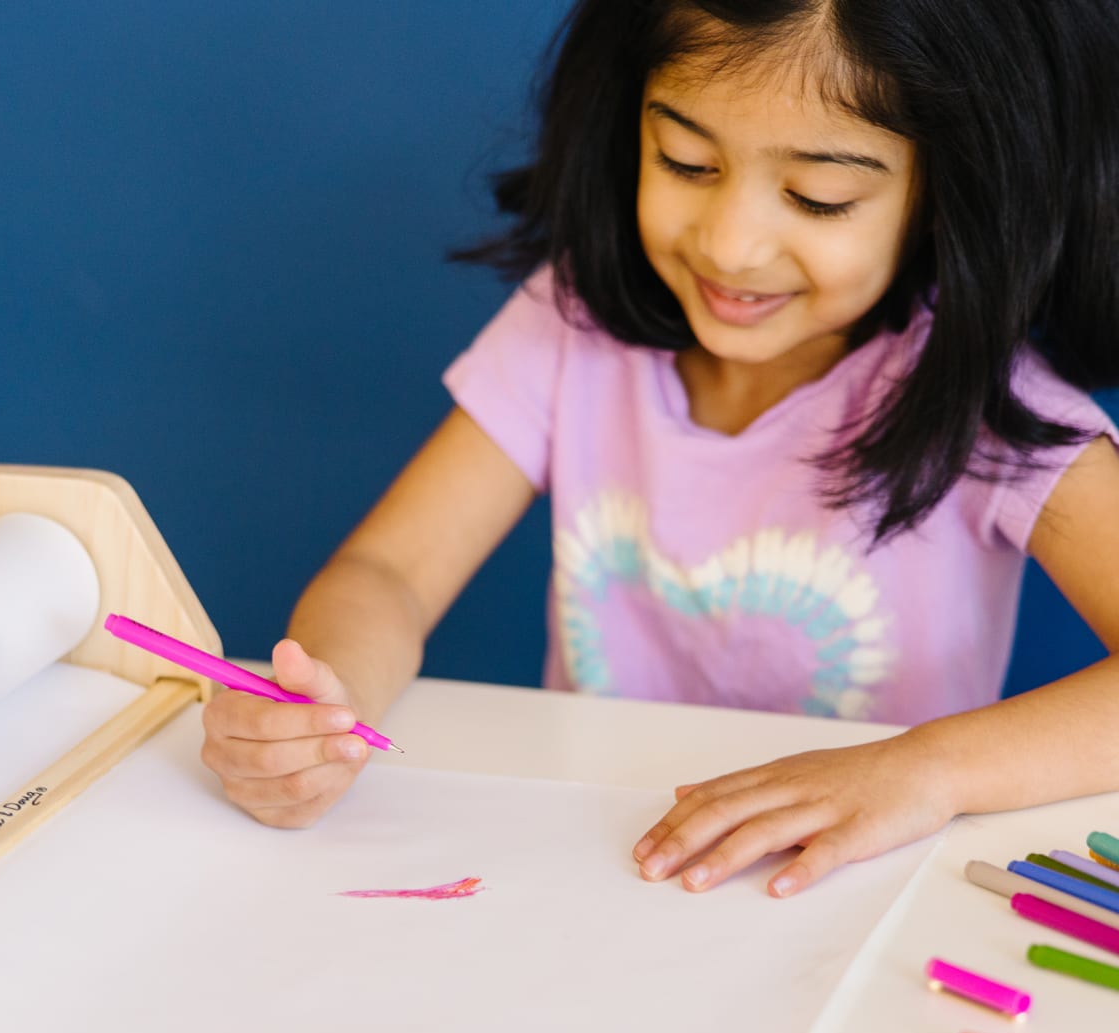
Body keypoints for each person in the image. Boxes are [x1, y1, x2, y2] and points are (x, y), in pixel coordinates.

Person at [201, 0, 1119, 897]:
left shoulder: (991, 415)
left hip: (846, 910)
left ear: (951, 191)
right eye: (686, 160)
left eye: (818, 195)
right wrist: (323, 709)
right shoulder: (573, 332)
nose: (731, 243)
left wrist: (925, 772)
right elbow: (389, 570)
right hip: (597, 879)